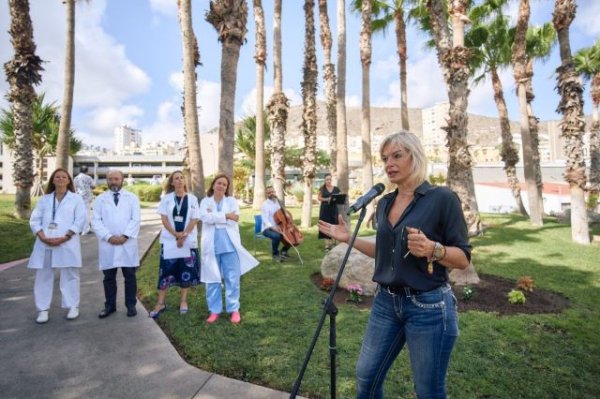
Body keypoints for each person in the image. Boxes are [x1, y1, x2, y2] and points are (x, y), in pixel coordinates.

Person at [318, 132, 471, 399]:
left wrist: (433, 249)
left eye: (397, 155)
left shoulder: (442, 199)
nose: (389, 163)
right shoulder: (384, 203)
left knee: (428, 391)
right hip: (386, 304)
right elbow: (385, 252)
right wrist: (349, 238)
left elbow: (462, 258)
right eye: (385, 158)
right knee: (366, 378)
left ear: (416, 156)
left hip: (429, 308)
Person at [28, 168, 87, 324]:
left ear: (69, 181)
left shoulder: (76, 199)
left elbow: (80, 220)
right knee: (43, 276)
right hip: (45, 243)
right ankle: (42, 309)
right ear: (53, 180)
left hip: (67, 242)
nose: (61, 179)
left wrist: (65, 237)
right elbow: (35, 220)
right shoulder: (44, 199)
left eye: (64, 177)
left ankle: (72, 306)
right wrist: (43, 237)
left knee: (70, 275)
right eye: (57, 177)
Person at [200, 174, 259, 324]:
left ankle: (234, 309)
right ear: (213, 185)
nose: (221, 186)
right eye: (219, 183)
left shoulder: (231, 201)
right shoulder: (205, 201)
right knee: (212, 279)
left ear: (226, 188)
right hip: (211, 247)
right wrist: (225, 216)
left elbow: (236, 218)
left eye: (224, 185)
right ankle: (214, 310)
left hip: (230, 246)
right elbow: (205, 218)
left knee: (232, 279)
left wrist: (216, 217)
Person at [149, 170, 201, 318]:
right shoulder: (166, 199)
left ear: (184, 181)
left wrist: (183, 235)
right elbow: (164, 219)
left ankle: (183, 301)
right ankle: (160, 303)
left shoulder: (192, 199)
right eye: (176, 179)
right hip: (170, 240)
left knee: (185, 271)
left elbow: (195, 218)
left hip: (187, 241)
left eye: (181, 178)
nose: (179, 181)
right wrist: (175, 235)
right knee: (165, 272)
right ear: (172, 182)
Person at [92, 169, 141, 318]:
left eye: (116, 179)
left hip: (127, 243)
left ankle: (131, 305)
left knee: (130, 276)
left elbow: (136, 219)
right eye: (110, 179)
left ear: (122, 180)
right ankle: (110, 306)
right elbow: (95, 221)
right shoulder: (100, 199)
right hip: (108, 244)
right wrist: (108, 237)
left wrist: (125, 236)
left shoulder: (131, 198)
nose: (113, 182)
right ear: (106, 181)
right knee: (108, 278)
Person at [260, 186, 291, 262]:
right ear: (267, 194)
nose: (271, 194)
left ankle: (284, 250)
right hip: (267, 228)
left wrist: (286, 213)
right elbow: (265, 219)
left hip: (279, 225)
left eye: (272, 192)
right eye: (269, 193)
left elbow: (282, 213)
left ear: (275, 192)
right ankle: (275, 254)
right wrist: (273, 228)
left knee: (290, 234)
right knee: (277, 236)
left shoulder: (278, 202)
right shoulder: (265, 204)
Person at [317, 173, 341, 251]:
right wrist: (327, 199)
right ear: (324, 180)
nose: (329, 181)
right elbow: (319, 198)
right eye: (327, 179)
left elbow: (340, 197)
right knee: (325, 226)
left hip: (334, 209)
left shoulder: (336, 189)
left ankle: (335, 243)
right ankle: (327, 246)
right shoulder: (322, 189)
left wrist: (337, 199)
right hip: (325, 209)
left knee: (334, 225)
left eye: (330, 179)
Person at [74, 165, 95, 235]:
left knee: (79, 213)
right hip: (87, 198)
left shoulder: (76, 178)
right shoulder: (88, 177)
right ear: (87, 171)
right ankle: (86, 230)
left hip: (78, 197)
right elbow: (93, 186)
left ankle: (79, 229)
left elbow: (74, 188)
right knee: (86, 213)